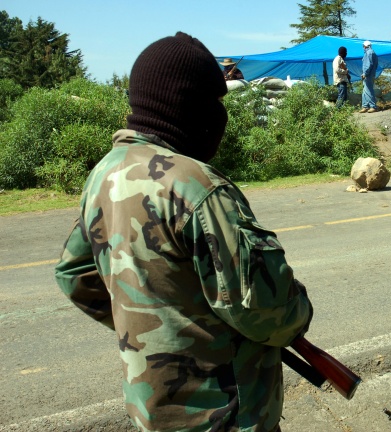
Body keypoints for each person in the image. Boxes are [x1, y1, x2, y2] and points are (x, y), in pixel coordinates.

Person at [54, 32, 313, 432]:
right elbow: (266, 312)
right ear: (188, 105)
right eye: (214, 103)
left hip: (152, 410)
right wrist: (299, 310)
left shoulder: (105, 173)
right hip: (224, 415)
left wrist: (151, 329)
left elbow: (74, 275)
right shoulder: (196, 187)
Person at [360, 40, 378, 113]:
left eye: (363, 46)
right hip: (371, 73)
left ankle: (373, 106)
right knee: (365, 90)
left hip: (368, 75)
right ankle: (365, 106)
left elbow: (368, 65)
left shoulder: (368, 53)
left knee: (368, 90)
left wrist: (365, 73)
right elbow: (375, 64)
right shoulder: (373, 53)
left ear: (365, 46)